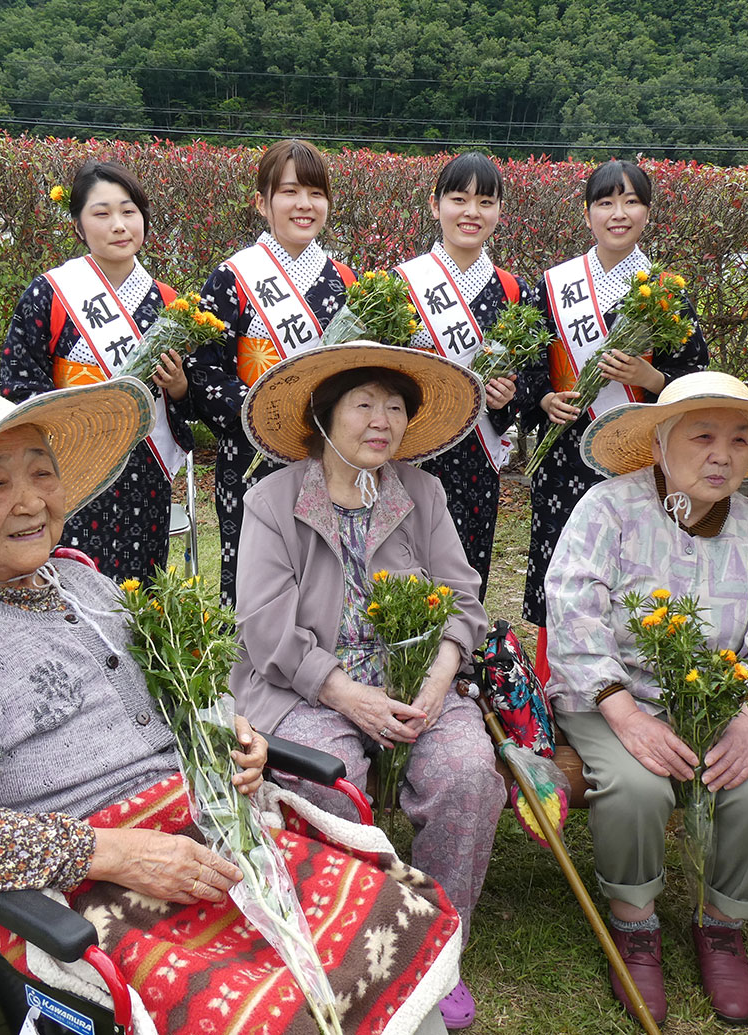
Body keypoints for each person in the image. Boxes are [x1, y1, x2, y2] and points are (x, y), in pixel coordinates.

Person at [0, 382, 461, 1035]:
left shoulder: (81, 581)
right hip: (72, 887)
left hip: (199, 832)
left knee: (387, 921)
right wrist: (111, 852)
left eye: (42, 474)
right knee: (281, 1019)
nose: (31, 500)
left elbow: (178, 689)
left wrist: (225, 733)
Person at [541, 371, 748, 1025]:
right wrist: (623, 712)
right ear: (659, 445)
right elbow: (571, 612)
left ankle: (722, 922)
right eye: (703, 435)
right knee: (637, 785)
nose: (721, 454)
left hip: (716, 701)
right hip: (608, 695)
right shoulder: (607, 509)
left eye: (738, 440)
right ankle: (636, 923)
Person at [231, 341, 506, 1031]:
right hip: (303, 686)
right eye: (363, 404)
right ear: (325, 415)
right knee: (332, 774)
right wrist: (342, 692)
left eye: (394, 407)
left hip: (417, 682)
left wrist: (443, 673)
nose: (381, 420)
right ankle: (347, 942)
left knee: (469, 771)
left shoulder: (421, 491)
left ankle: (440, 946)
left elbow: (462, 598)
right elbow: (264, 626)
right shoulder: (274, 497)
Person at [519, 159, 709, 679]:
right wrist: (544, 402)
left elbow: (696, 383)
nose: (618, 213)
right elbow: (531, 364)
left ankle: (638, 680)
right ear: (587, 214)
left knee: (639, 565)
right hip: (565, 455)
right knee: (562, 562)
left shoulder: (667, 293)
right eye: (605, 202)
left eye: (631, 202)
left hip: (638, 455)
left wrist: (649, 379)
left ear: (648, 213)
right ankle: (551, 681)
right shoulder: (556, 284)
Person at [0, 159, 193, 579]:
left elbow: (186, 393)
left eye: (129, 211)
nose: (119, 225)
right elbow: (19, 383)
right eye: (101, 214)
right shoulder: (50, 293)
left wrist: (178, 387)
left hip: (145, 468)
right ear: (78, 225)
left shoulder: (168, 302)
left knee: (141, 588)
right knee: (69, 582)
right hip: (72, 464)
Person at [189, 139, 355, 607]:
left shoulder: (345, 281)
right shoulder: (232, 278)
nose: (304, 204)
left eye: (316, 193)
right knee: (252, 585)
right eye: (289, 192)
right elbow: (203, 371)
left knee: (324, 584)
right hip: (249, 460)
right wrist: (268, 417)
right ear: (262, 202)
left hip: (326, 458)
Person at [393, 152, 530, 600]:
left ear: (499, 211)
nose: (472, 212)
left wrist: (506, 396)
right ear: (435, 205)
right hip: (410, 450)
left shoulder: (514, 291)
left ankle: (462, 663)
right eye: (459, 198)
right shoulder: (401, 286)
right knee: (400, 571)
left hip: (477, 457)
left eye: (486, 201)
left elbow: (531, 377)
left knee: (466, 575)